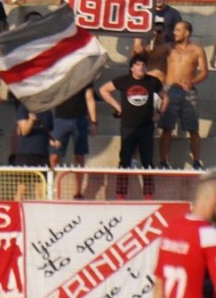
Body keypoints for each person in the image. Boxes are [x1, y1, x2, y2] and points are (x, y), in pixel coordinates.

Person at [99, 53, 168, 200]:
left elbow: (166, 97)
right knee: (124, 161)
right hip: (128, 127)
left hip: (146, 127)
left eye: (143, 65)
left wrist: (160, 114)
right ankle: (121, 195)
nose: (141, 67)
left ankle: (148, 195)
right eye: (138, 64)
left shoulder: (152, 81)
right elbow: (104, 90)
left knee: (147, 162)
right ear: (132, 68)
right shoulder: (124, 80)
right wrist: (117, 106)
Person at [158, 21, 208, 169]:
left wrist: (193, 81)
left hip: (188, 91)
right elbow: (152, 54)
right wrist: (157, 37)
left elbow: (204, 72)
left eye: (178, 30)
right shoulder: (168, 48)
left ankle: (197, 161)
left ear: (187, 33)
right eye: (175, 30)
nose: (175, 33)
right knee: (167, 128)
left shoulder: (197, 50)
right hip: (170, 89)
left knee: (193, 128)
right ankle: (163, 161)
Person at [49, 85, 97, 199]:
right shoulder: (60, 74)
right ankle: (49, 188)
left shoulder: (85, 77)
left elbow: (89, 99)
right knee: (54, 156)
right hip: (60, 119)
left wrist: (94, 122)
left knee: (80, 156)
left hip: (80, 119)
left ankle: (78, 191)